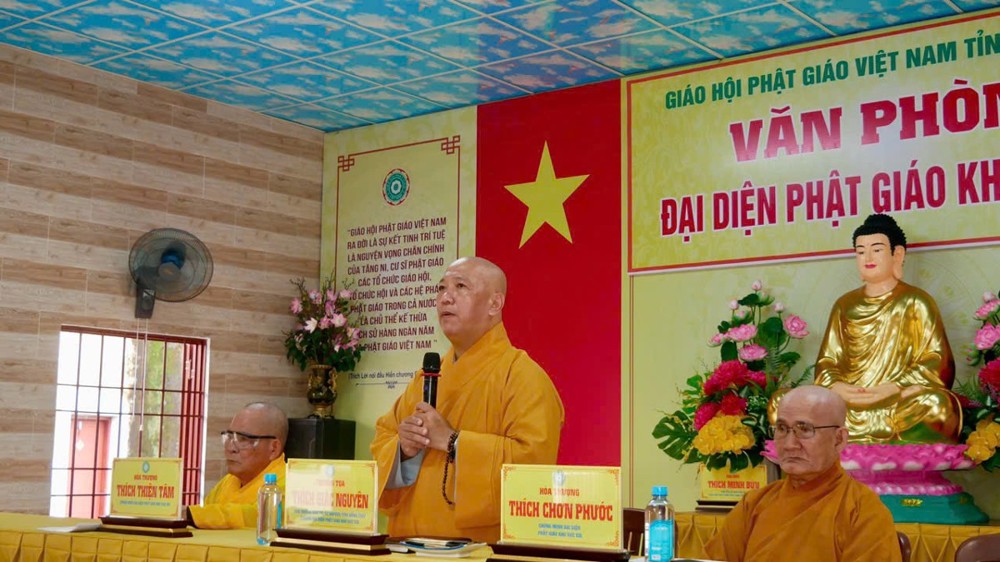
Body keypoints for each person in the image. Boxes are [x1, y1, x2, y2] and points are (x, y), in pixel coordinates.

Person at [370, 256, 564, 543]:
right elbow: (384, 437)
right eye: (441, 288)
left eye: (460, 287)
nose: (445, 298)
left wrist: (452, 441)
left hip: (481, 551)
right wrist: (403, 450)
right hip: (409, 546)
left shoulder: (523, 377)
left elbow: (532, 468)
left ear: (494, 303)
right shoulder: (426, 378)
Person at [705, 386, 901, 562]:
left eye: (805, 429)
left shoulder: (862, 511)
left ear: (839, 439)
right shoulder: (754, 504)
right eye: (782, 428)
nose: (790, 444)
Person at [813, 213, 960, 443]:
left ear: (897, 254)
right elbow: (827, 362)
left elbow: (938, 363)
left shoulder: (916, 301)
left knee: (938, 408)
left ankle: (855, 436)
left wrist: (895, 387)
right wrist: (837, 386)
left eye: (877, 249)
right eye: (861, 251)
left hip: (897, 402)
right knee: (783, 404)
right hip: (849, 406)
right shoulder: (845, 305)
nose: (868, 257)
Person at [188, 402, 288, 528]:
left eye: (243, 439)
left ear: (273, 448)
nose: (231, 448)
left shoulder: (289, 485)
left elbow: (259, 516)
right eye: (229, 437)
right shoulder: (229, 481)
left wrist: (191, 515)